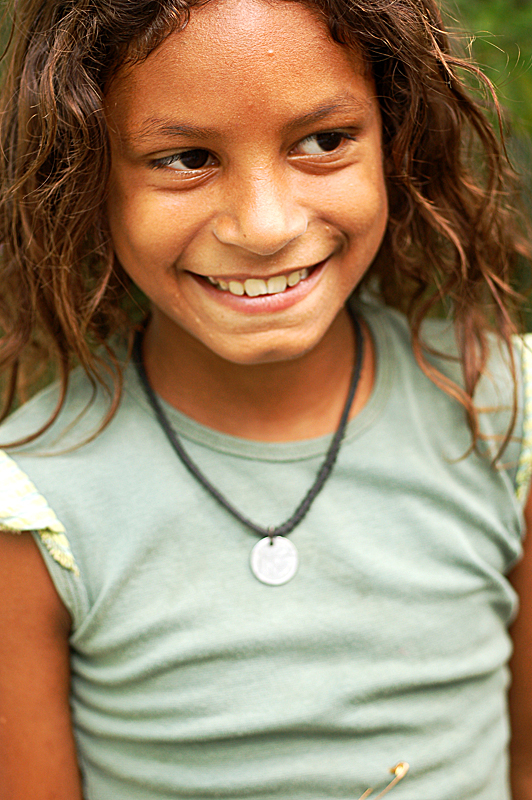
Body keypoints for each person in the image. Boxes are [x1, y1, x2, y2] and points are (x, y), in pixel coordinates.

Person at [0, 0, 531, 797]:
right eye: (185, 158)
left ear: (397, 137)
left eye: (322, 142)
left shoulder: (505, 414)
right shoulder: (36, 504)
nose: (264, 225)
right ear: (85, 174)